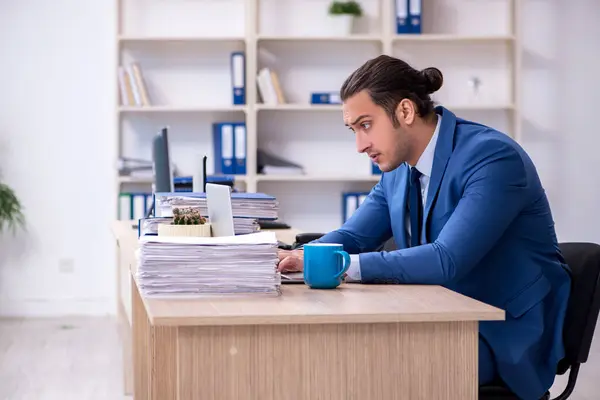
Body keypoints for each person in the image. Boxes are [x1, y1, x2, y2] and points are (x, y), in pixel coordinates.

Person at [277, 55, 572, 400]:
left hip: (502, 333)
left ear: (404, 112)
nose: (359, 145)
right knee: (330, 352)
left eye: (366, 125)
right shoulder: (398, 169)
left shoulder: (492, 158)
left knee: (360, 365)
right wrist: (298, 257)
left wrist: (341, 267)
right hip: (439, 316)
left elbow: (447, 259)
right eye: (353, 130)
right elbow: (355, 236)